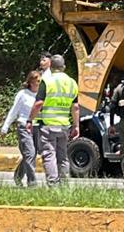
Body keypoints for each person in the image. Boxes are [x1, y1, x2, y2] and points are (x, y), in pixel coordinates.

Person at [26, 54, 80, 186]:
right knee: (63, 157)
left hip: (48, 125)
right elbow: (75, 107)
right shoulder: (72, 83)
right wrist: (76, 125)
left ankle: (53, 184)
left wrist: (29, 120)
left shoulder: (47, 81)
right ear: (64, 67)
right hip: (64, 126)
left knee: (49, 155)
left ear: (51, 66)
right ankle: (64, 183)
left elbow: (39, 103)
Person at [1, 70, 42, 187]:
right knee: (30, 153)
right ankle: (32, 184)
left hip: (37, 126)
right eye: (36, 81)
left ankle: (18, 175)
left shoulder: (42, 94)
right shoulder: (23, 94)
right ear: (30, 82)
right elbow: (14, 111)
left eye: (40, 81)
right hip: (24, 125)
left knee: (32, 155)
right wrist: (5, 127)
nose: (38, 84)